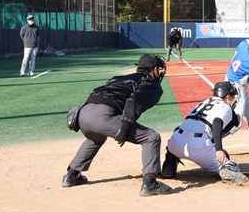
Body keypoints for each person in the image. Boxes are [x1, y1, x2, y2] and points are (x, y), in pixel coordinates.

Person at [61, 54, 172, 197]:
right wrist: (125, 125)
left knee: (95, 138)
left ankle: (71, 176)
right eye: (159, 69)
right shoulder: (150, 82)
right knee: (151, 137)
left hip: (83, 113)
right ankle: (150, 184)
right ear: (154, 69)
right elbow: (134, 101)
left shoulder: (119, 78)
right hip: (102, 116)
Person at [161, 82, 249, 184]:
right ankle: (226, 170)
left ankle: (169, 166)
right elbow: (218, 122)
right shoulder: (224, 107)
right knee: (231, 166)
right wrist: (219, 149)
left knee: (179, 131)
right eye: (233, 96)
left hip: (175, 145)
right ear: (227, 96)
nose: (233, 99)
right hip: (198, 147)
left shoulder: (202, 103)